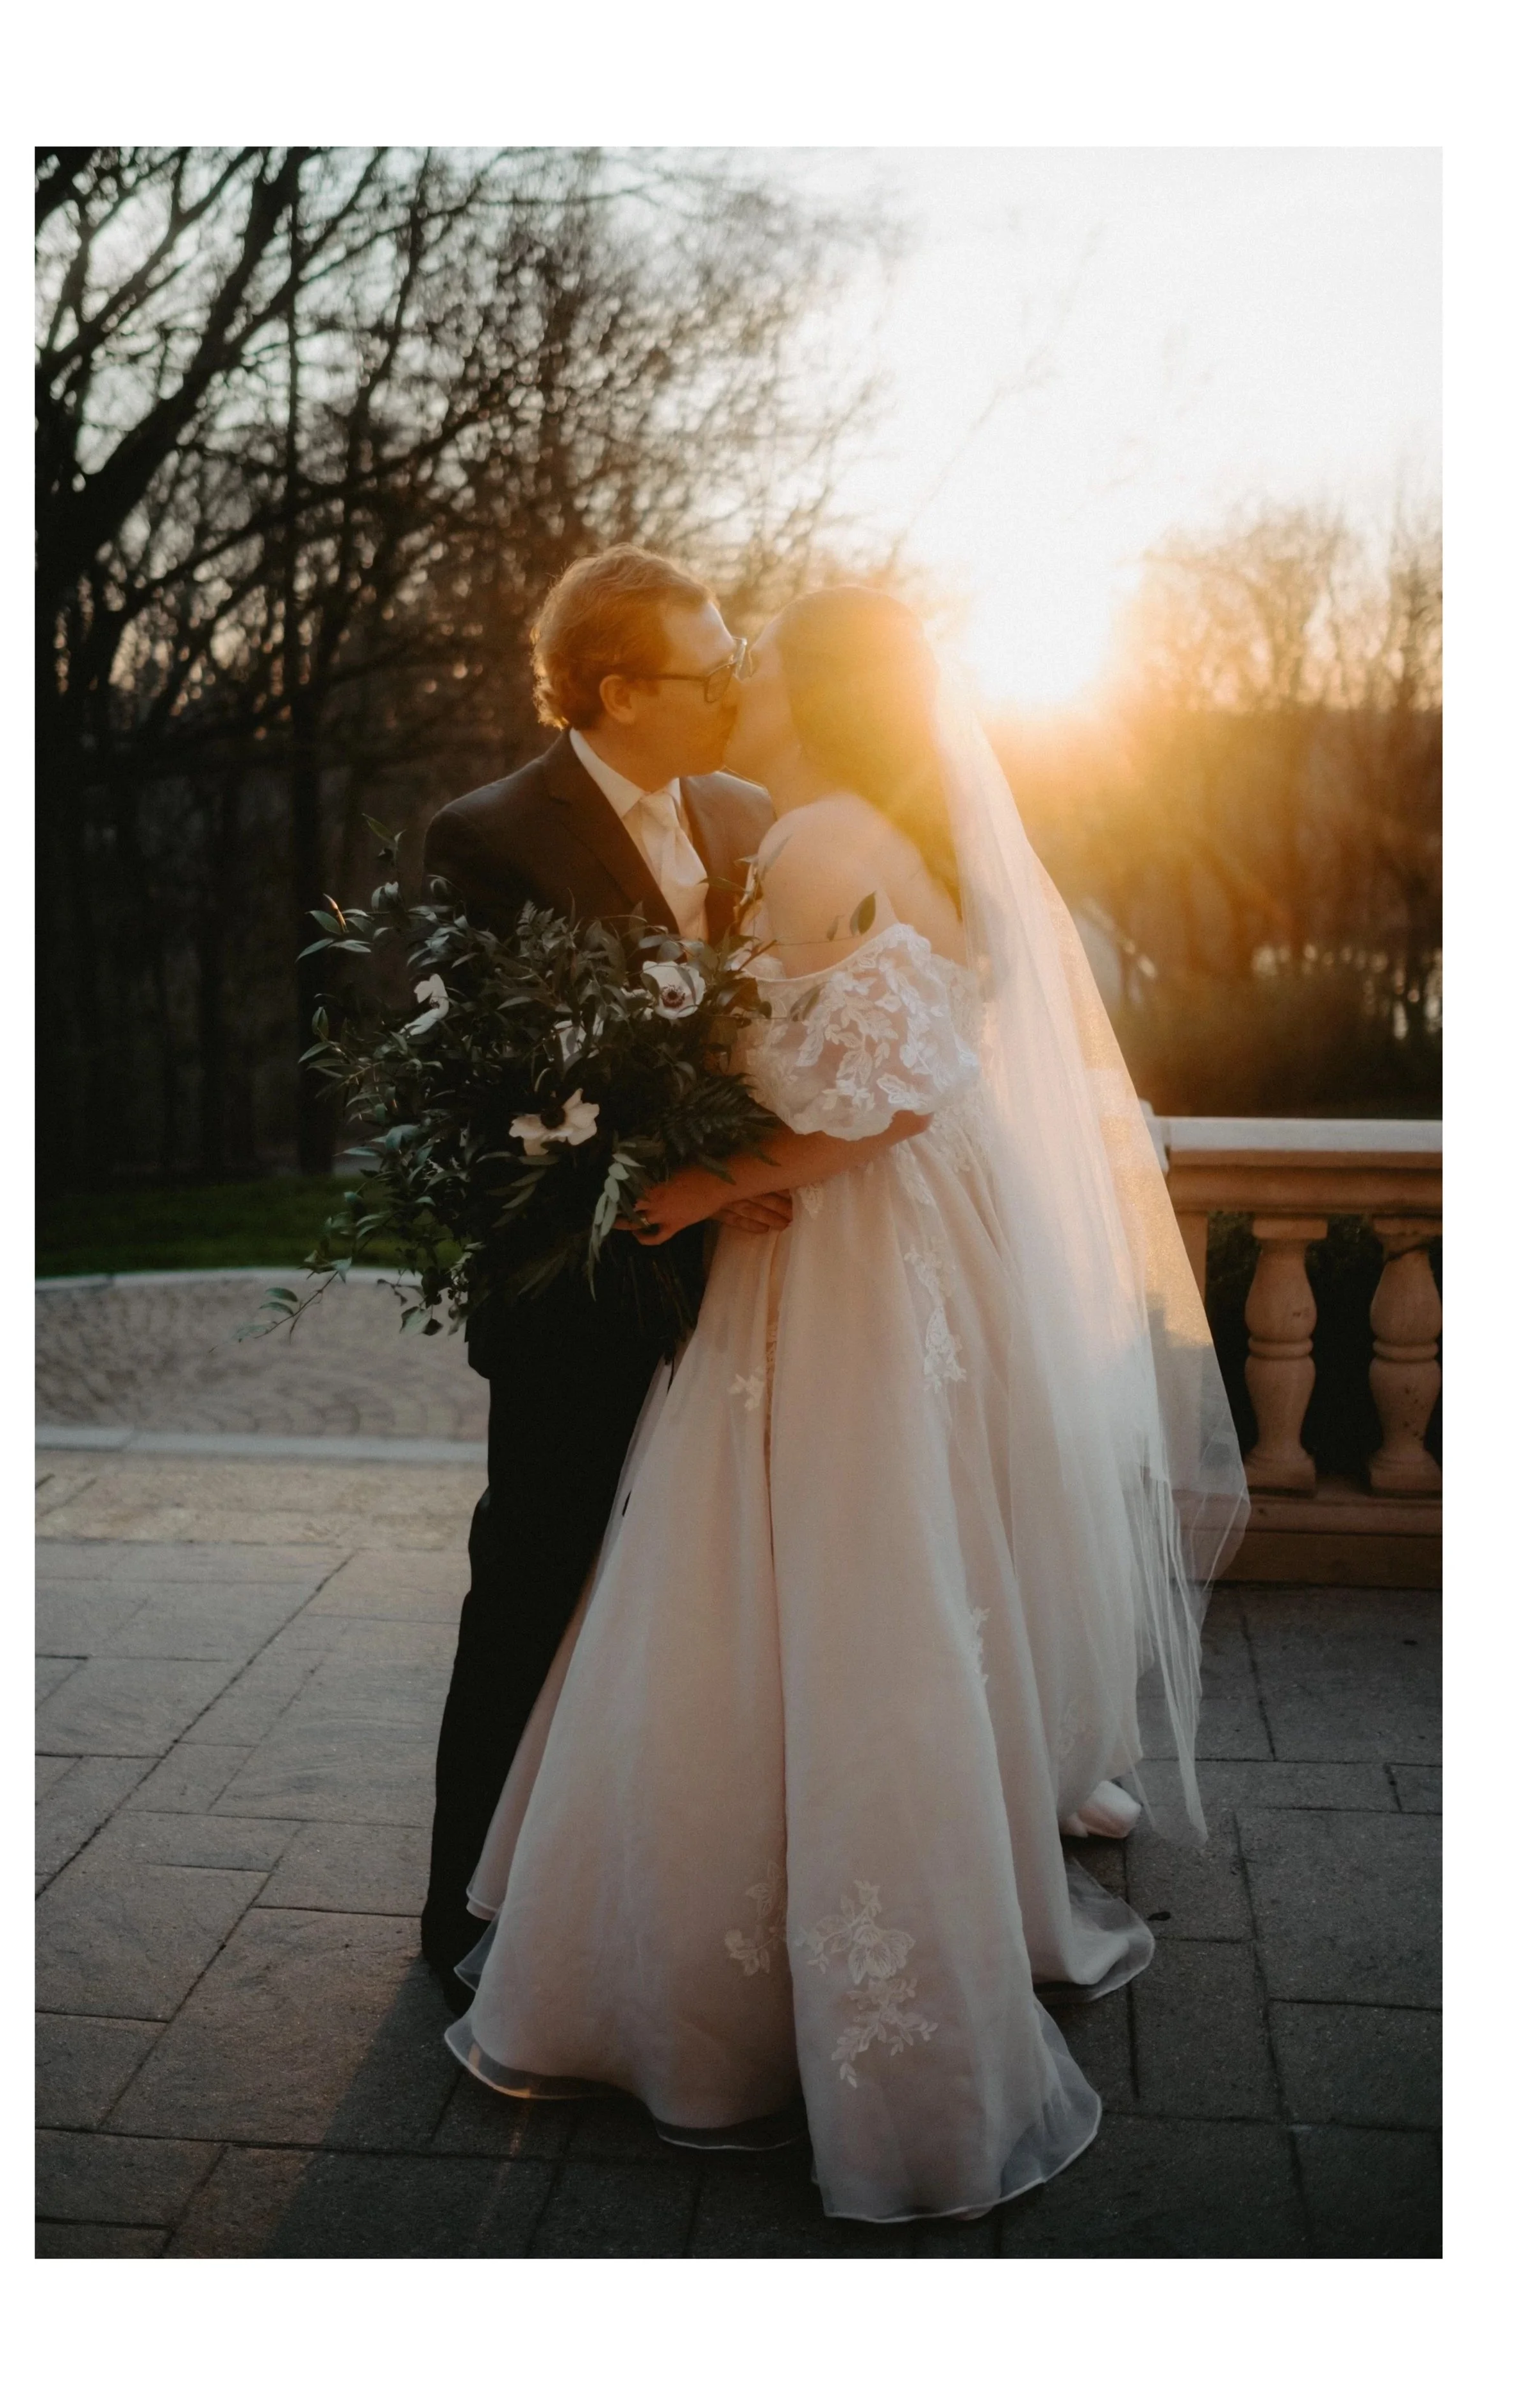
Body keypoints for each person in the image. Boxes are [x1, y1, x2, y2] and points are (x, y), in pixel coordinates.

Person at [441, 587, 1249, 2224]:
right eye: (710, 663)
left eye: (753, 664)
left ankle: (774, 1960)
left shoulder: (806, 837)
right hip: (889, 1261)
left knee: (807, 1560)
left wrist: (688, 1183)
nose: (735, 683)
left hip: (827, 1262)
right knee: (871, 1561)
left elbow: (868, 1099)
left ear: (805, 692)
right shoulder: (892, 826)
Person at [417, 546, 779, 2007]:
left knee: (694, 1598)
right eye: (710, 667)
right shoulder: (492, 834)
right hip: (574, 1287)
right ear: (620, 689)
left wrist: (750, 1161)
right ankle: (458, 1904)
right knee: (533, 1581)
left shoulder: (749, 818)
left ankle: (638, 1897)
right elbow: (488, 1077)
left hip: (750, 1283)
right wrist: (659, 1172)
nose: (735, 688)